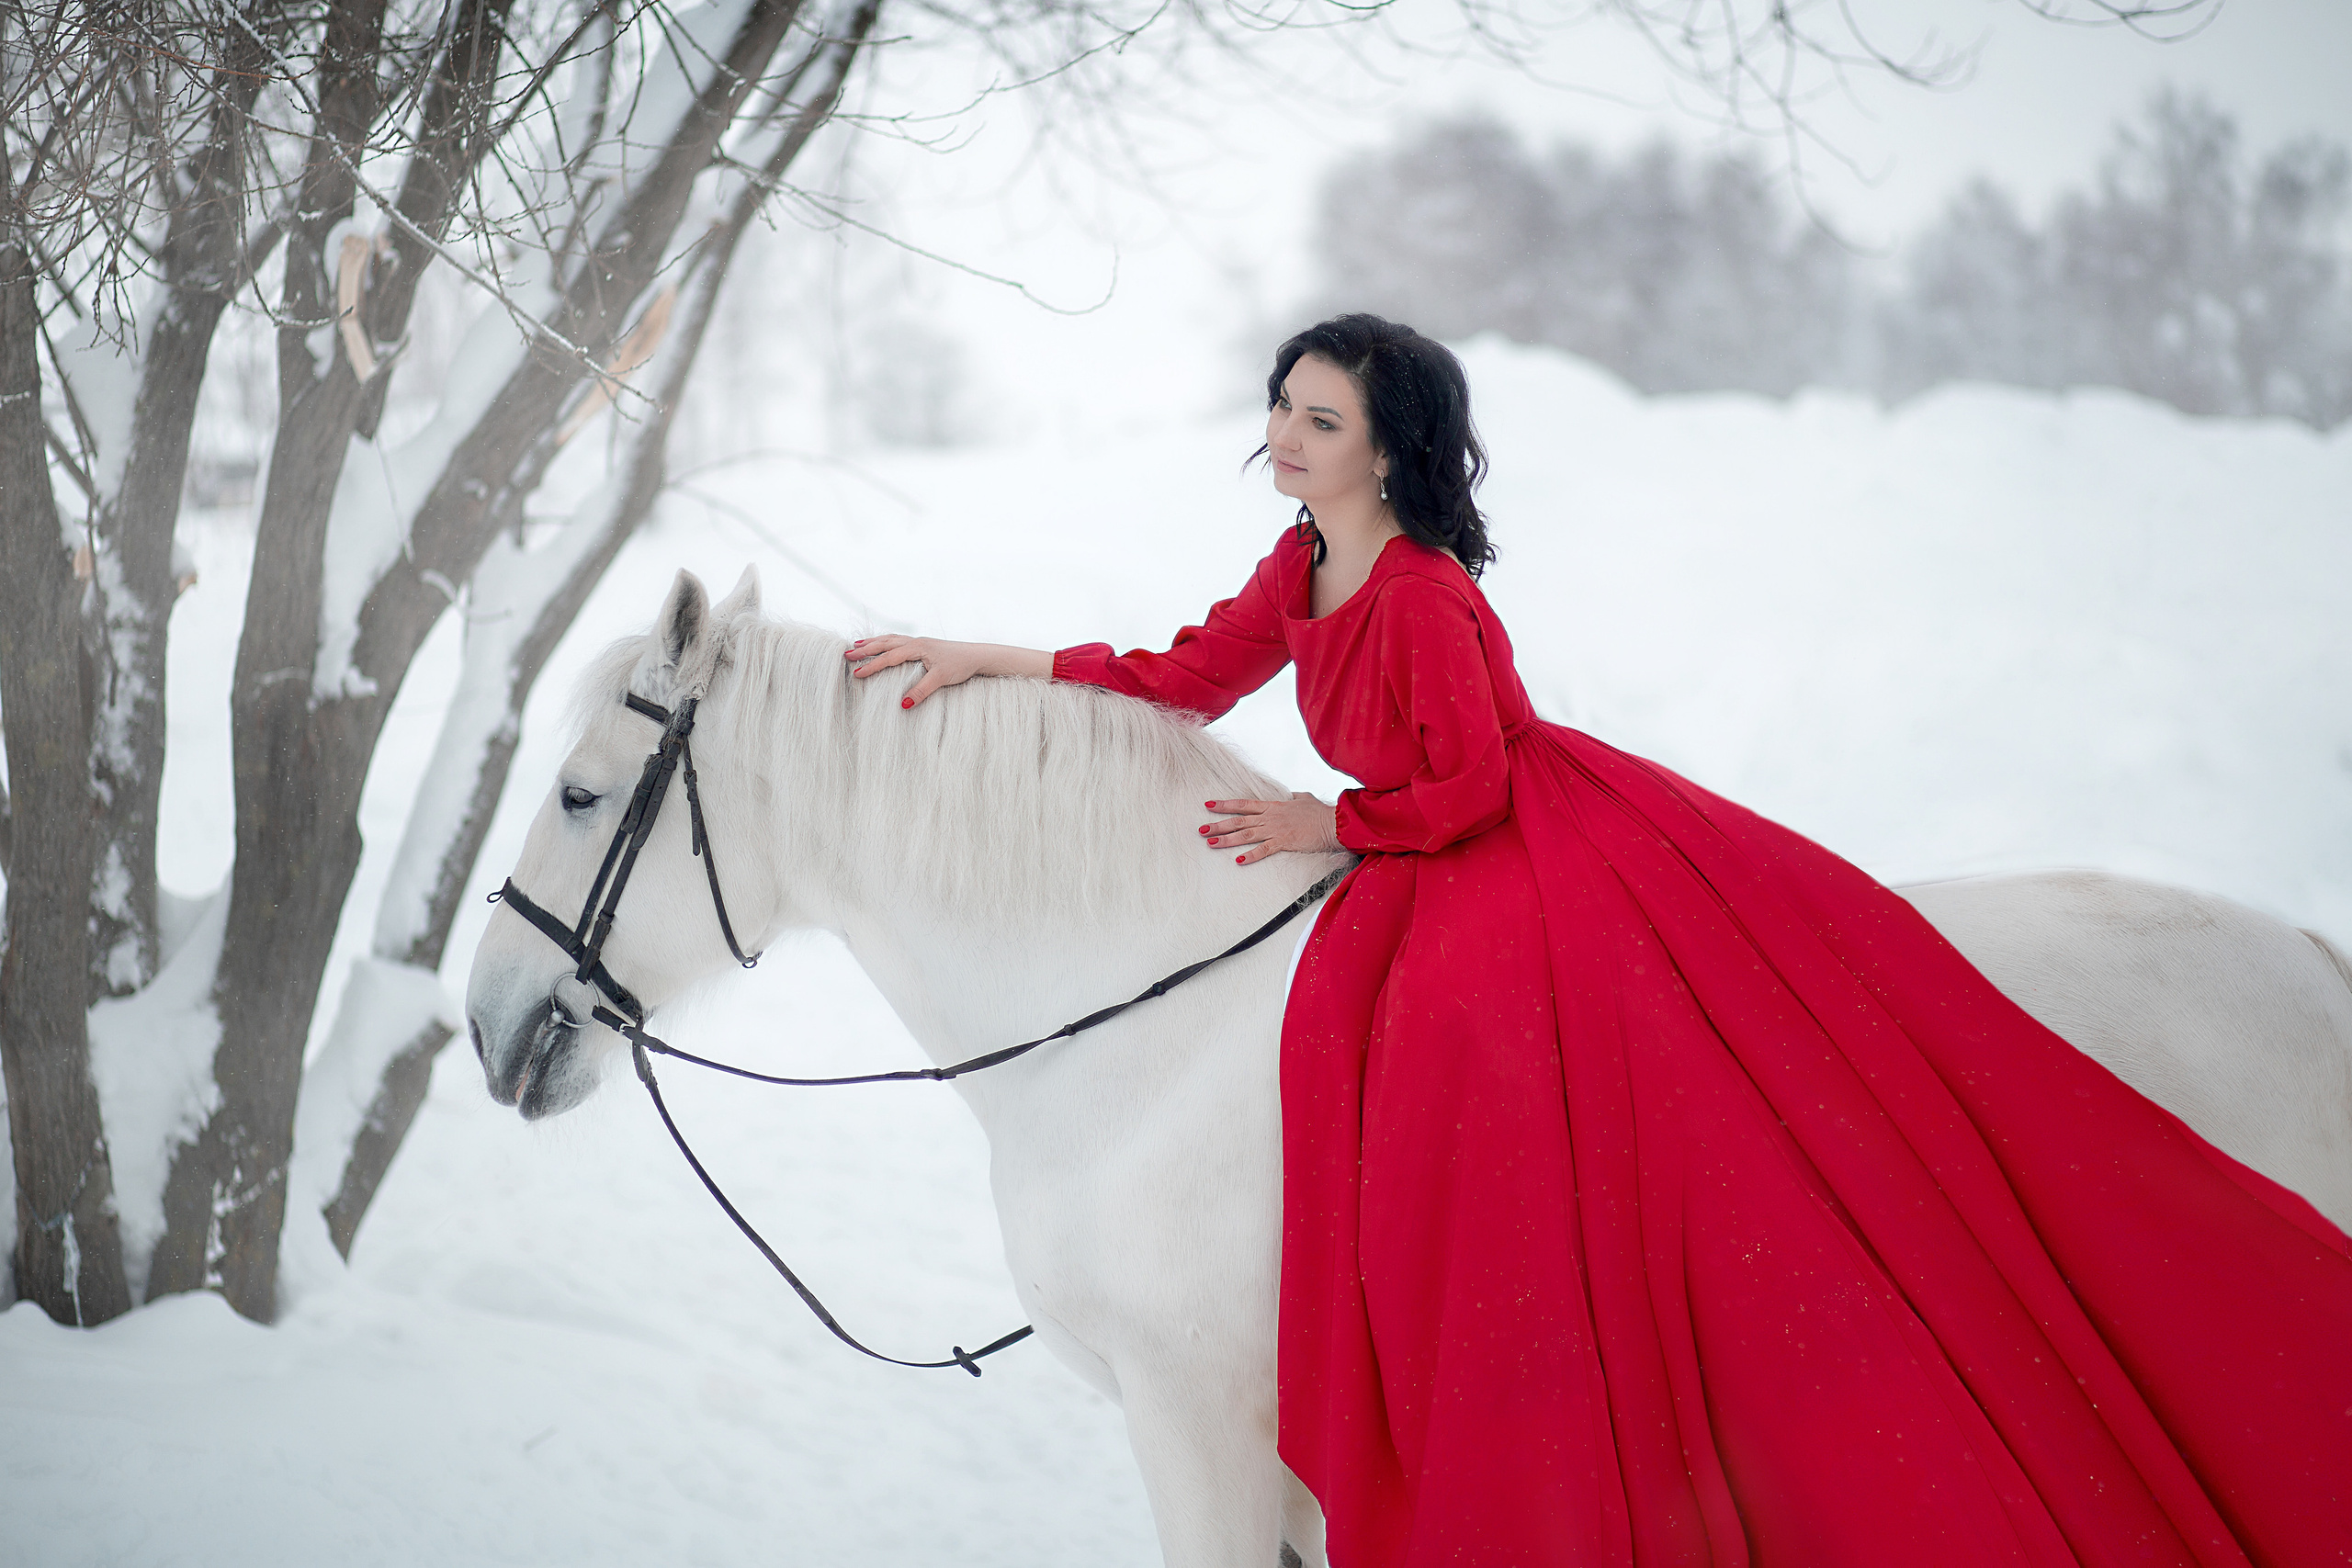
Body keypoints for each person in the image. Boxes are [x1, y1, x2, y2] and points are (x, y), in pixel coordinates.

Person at [842, 314, 2352, 1567]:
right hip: (1409, 843)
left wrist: (1323, 823)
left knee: (1502, 1062)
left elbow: (1467, 792)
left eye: (1318, 418)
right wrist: (993, 659)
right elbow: (1186, 673)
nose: (1284, 438)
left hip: (1510, 844)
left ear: (1389, 447)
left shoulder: (1422, 599)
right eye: (1282, 409)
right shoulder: (1297, 564)